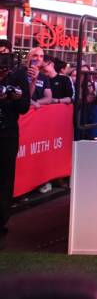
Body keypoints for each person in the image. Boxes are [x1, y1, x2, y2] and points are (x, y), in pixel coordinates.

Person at [0, 40, 30, 235]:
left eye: (6, 53)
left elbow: (24, 106)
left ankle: (1, 220)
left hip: (8, 130)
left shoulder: (18, 74)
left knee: (5, 176)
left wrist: (14, 95)